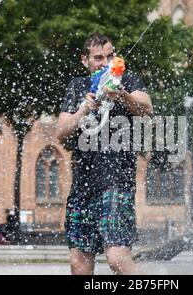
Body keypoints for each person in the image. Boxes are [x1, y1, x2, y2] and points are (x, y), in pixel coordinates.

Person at [57, 33, 153, 275]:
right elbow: (61, 132)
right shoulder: (78, 86)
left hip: (117, 182)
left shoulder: (128, 81)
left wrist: (122, 94)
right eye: (98, 58)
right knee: (79, 264)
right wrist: (83, 110)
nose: (104, 62)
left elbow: (147, 109)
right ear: (85, 60)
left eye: (109, 56)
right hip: (83, 186)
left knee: (117, 258)